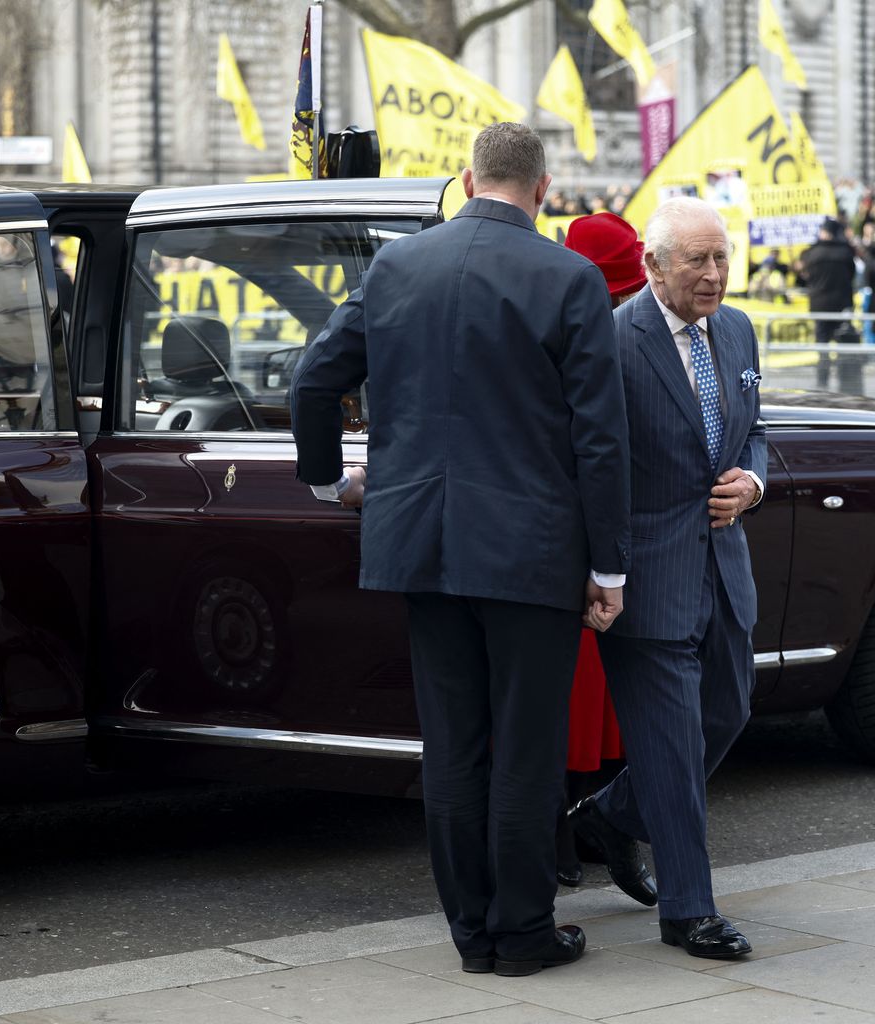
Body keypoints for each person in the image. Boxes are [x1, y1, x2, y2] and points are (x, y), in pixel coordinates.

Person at [290, 123, 632, 978]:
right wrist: (610, 566)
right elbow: (600, 439)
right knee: (525, 745)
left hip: (420, 543)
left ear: (468, 178)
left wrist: (332, 484)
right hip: (531, 552)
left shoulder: (399, 266)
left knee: (452, 746)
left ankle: (471, 932)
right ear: (543, 189)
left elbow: (312, 381)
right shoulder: (569, 277)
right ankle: (522, 933)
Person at [568, 196, 766, 961]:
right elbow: (592, 465)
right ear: (652, 265)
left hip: (725, 571)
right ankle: (690, 911)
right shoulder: (615, 343)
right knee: (676, 748)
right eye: (698, 261)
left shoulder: (740, 329)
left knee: (730, 710)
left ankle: (613, 815)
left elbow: (756, 432)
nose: (714, 274)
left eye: (722, 257)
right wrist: (603, 570)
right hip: (647, 578)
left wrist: (753, 483)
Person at [556, 211, 649, 889]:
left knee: (612, 698)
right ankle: (565, 828)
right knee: (573, 695)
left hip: (622, 538)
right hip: (576, 541)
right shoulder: (574, 333)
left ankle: (598, 822)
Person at [798, 217, 860, 393]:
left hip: (820, 305)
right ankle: (846, 380)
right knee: (844, 344)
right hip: (841, 305)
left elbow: (806, 275)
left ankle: (822, 381)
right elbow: (852, 275)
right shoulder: (845, 252)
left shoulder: (812, 253)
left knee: (822, 345)